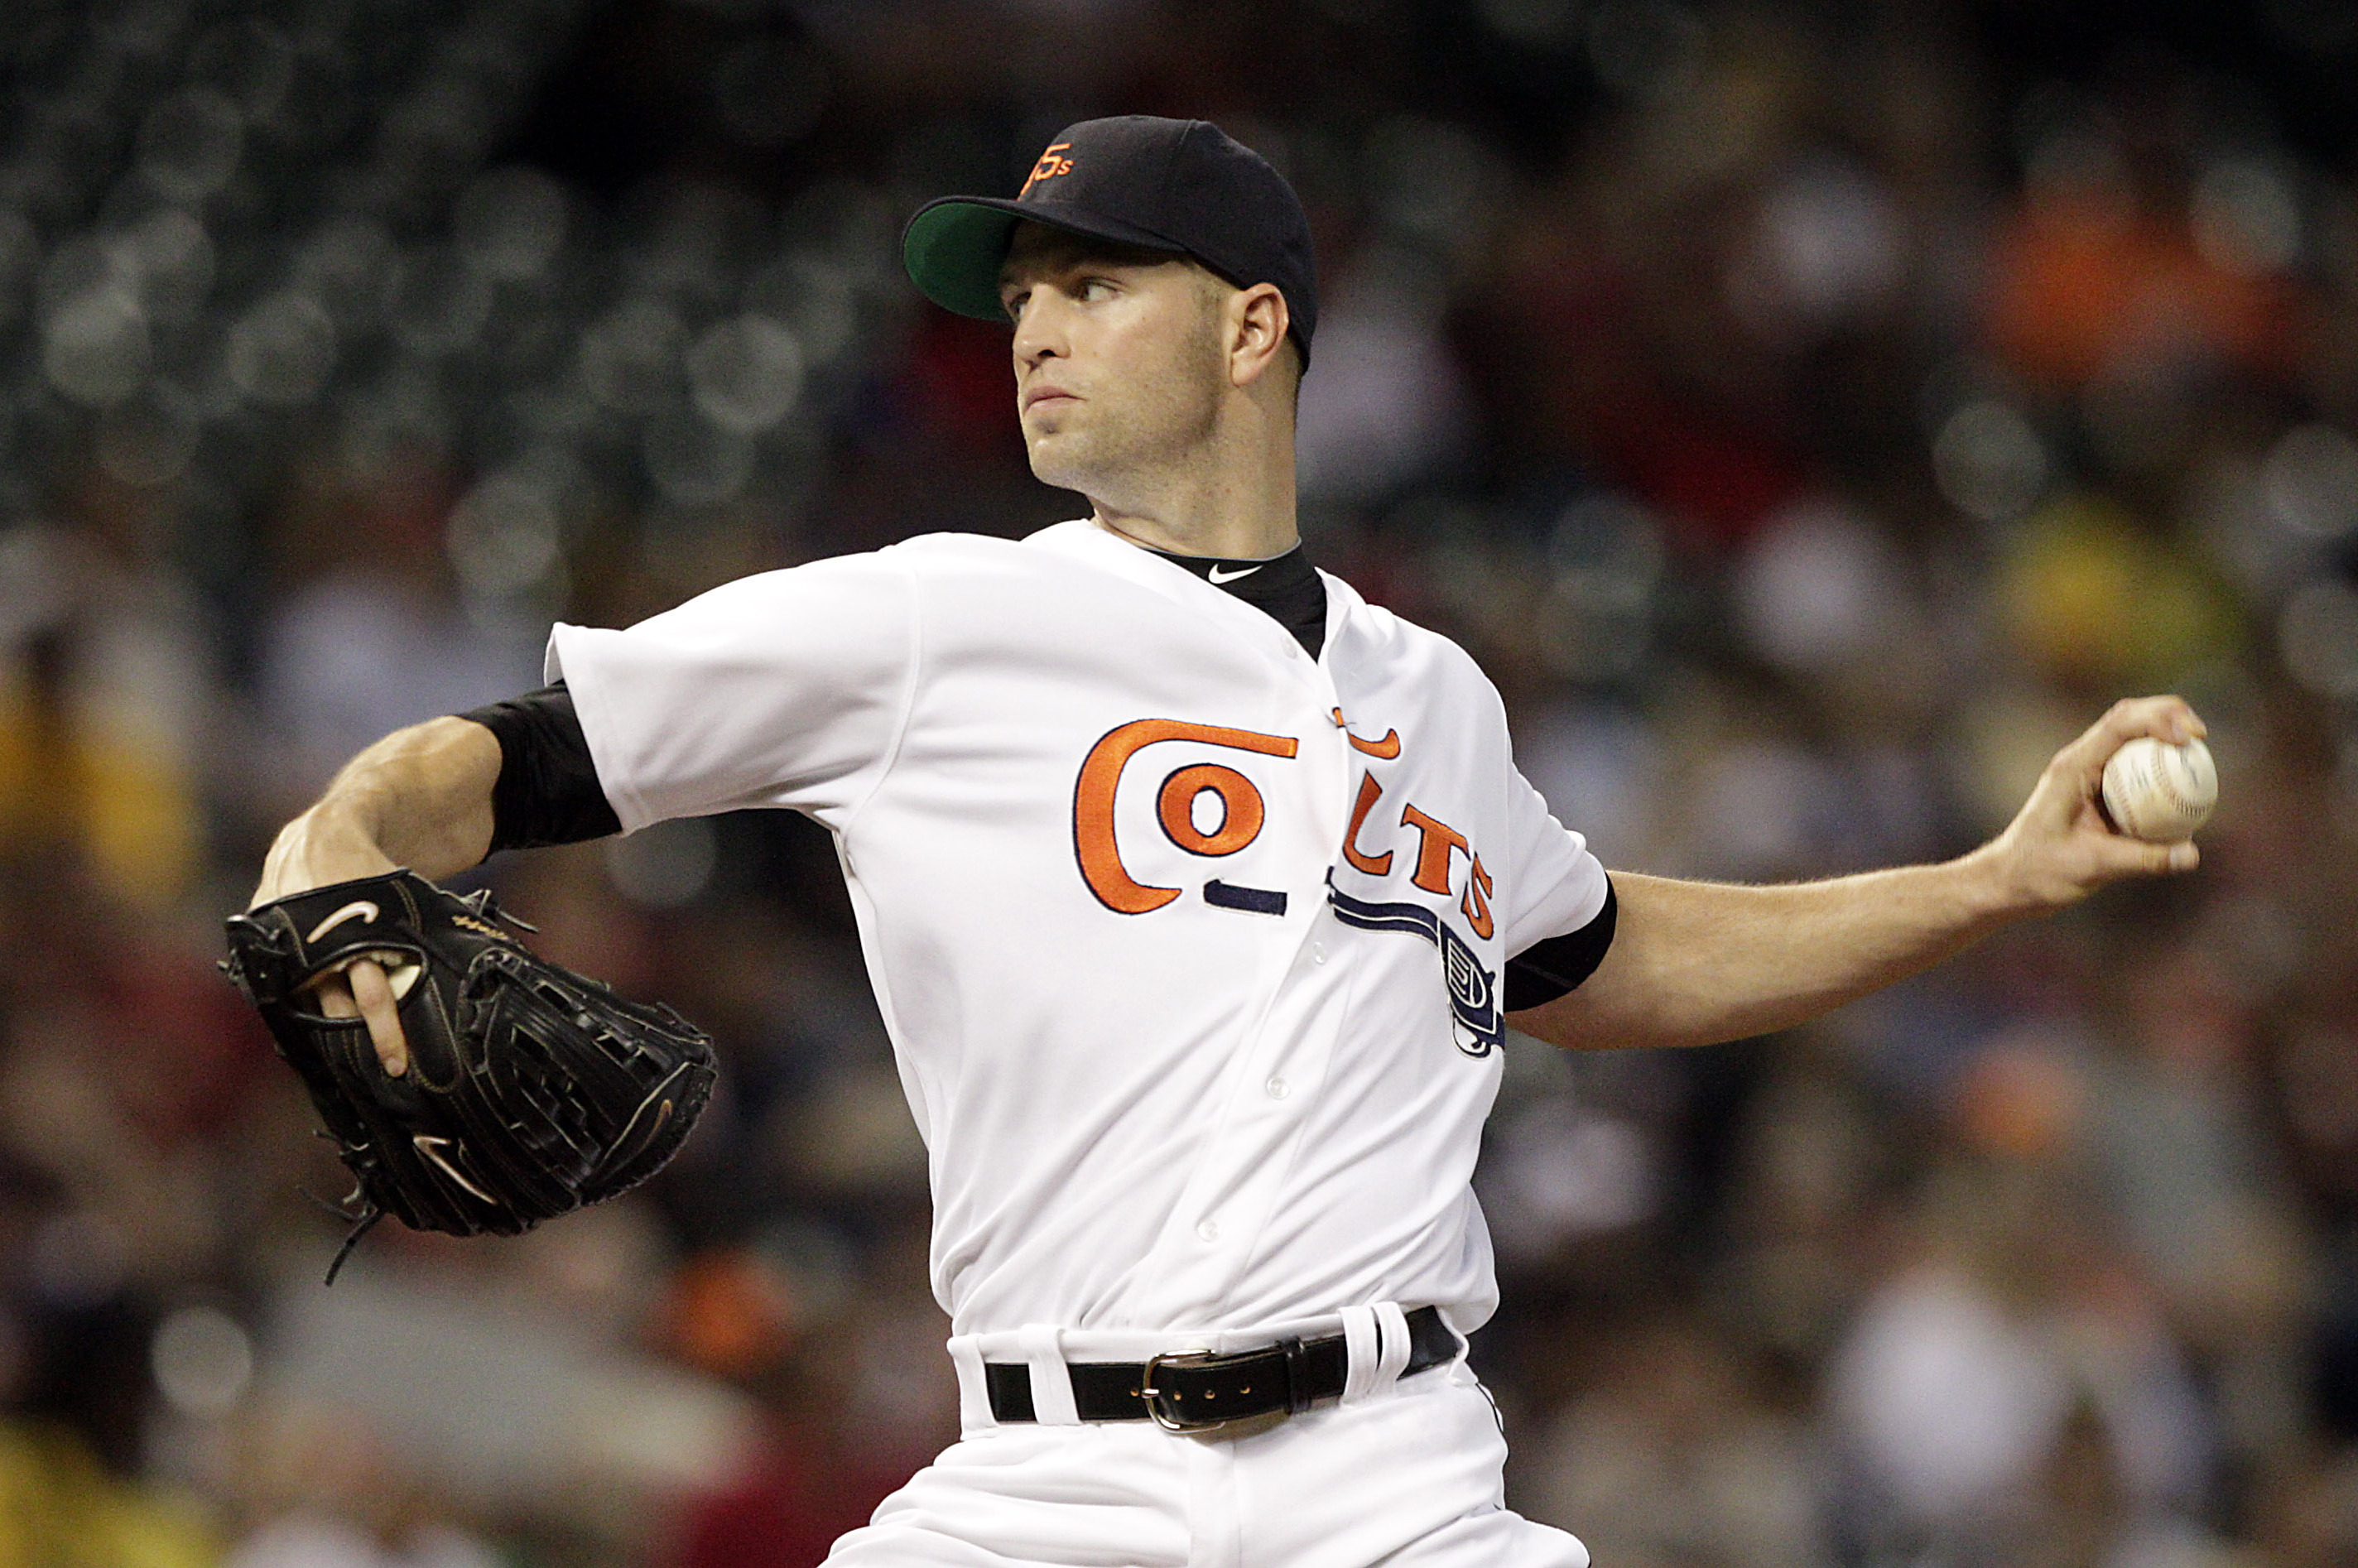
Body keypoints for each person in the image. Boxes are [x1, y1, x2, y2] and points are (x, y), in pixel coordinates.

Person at [250, 117, 2205, 1566]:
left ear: (1253, 323)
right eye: (1020, 295)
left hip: (1399, 1479)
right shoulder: (936, 616)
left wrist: (1988, 880)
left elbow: (1599, 956)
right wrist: (336, 842)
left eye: (1093, 283)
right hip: (1044, 1481)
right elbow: (503, 760)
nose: (1034, 328)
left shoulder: (1436, 695)